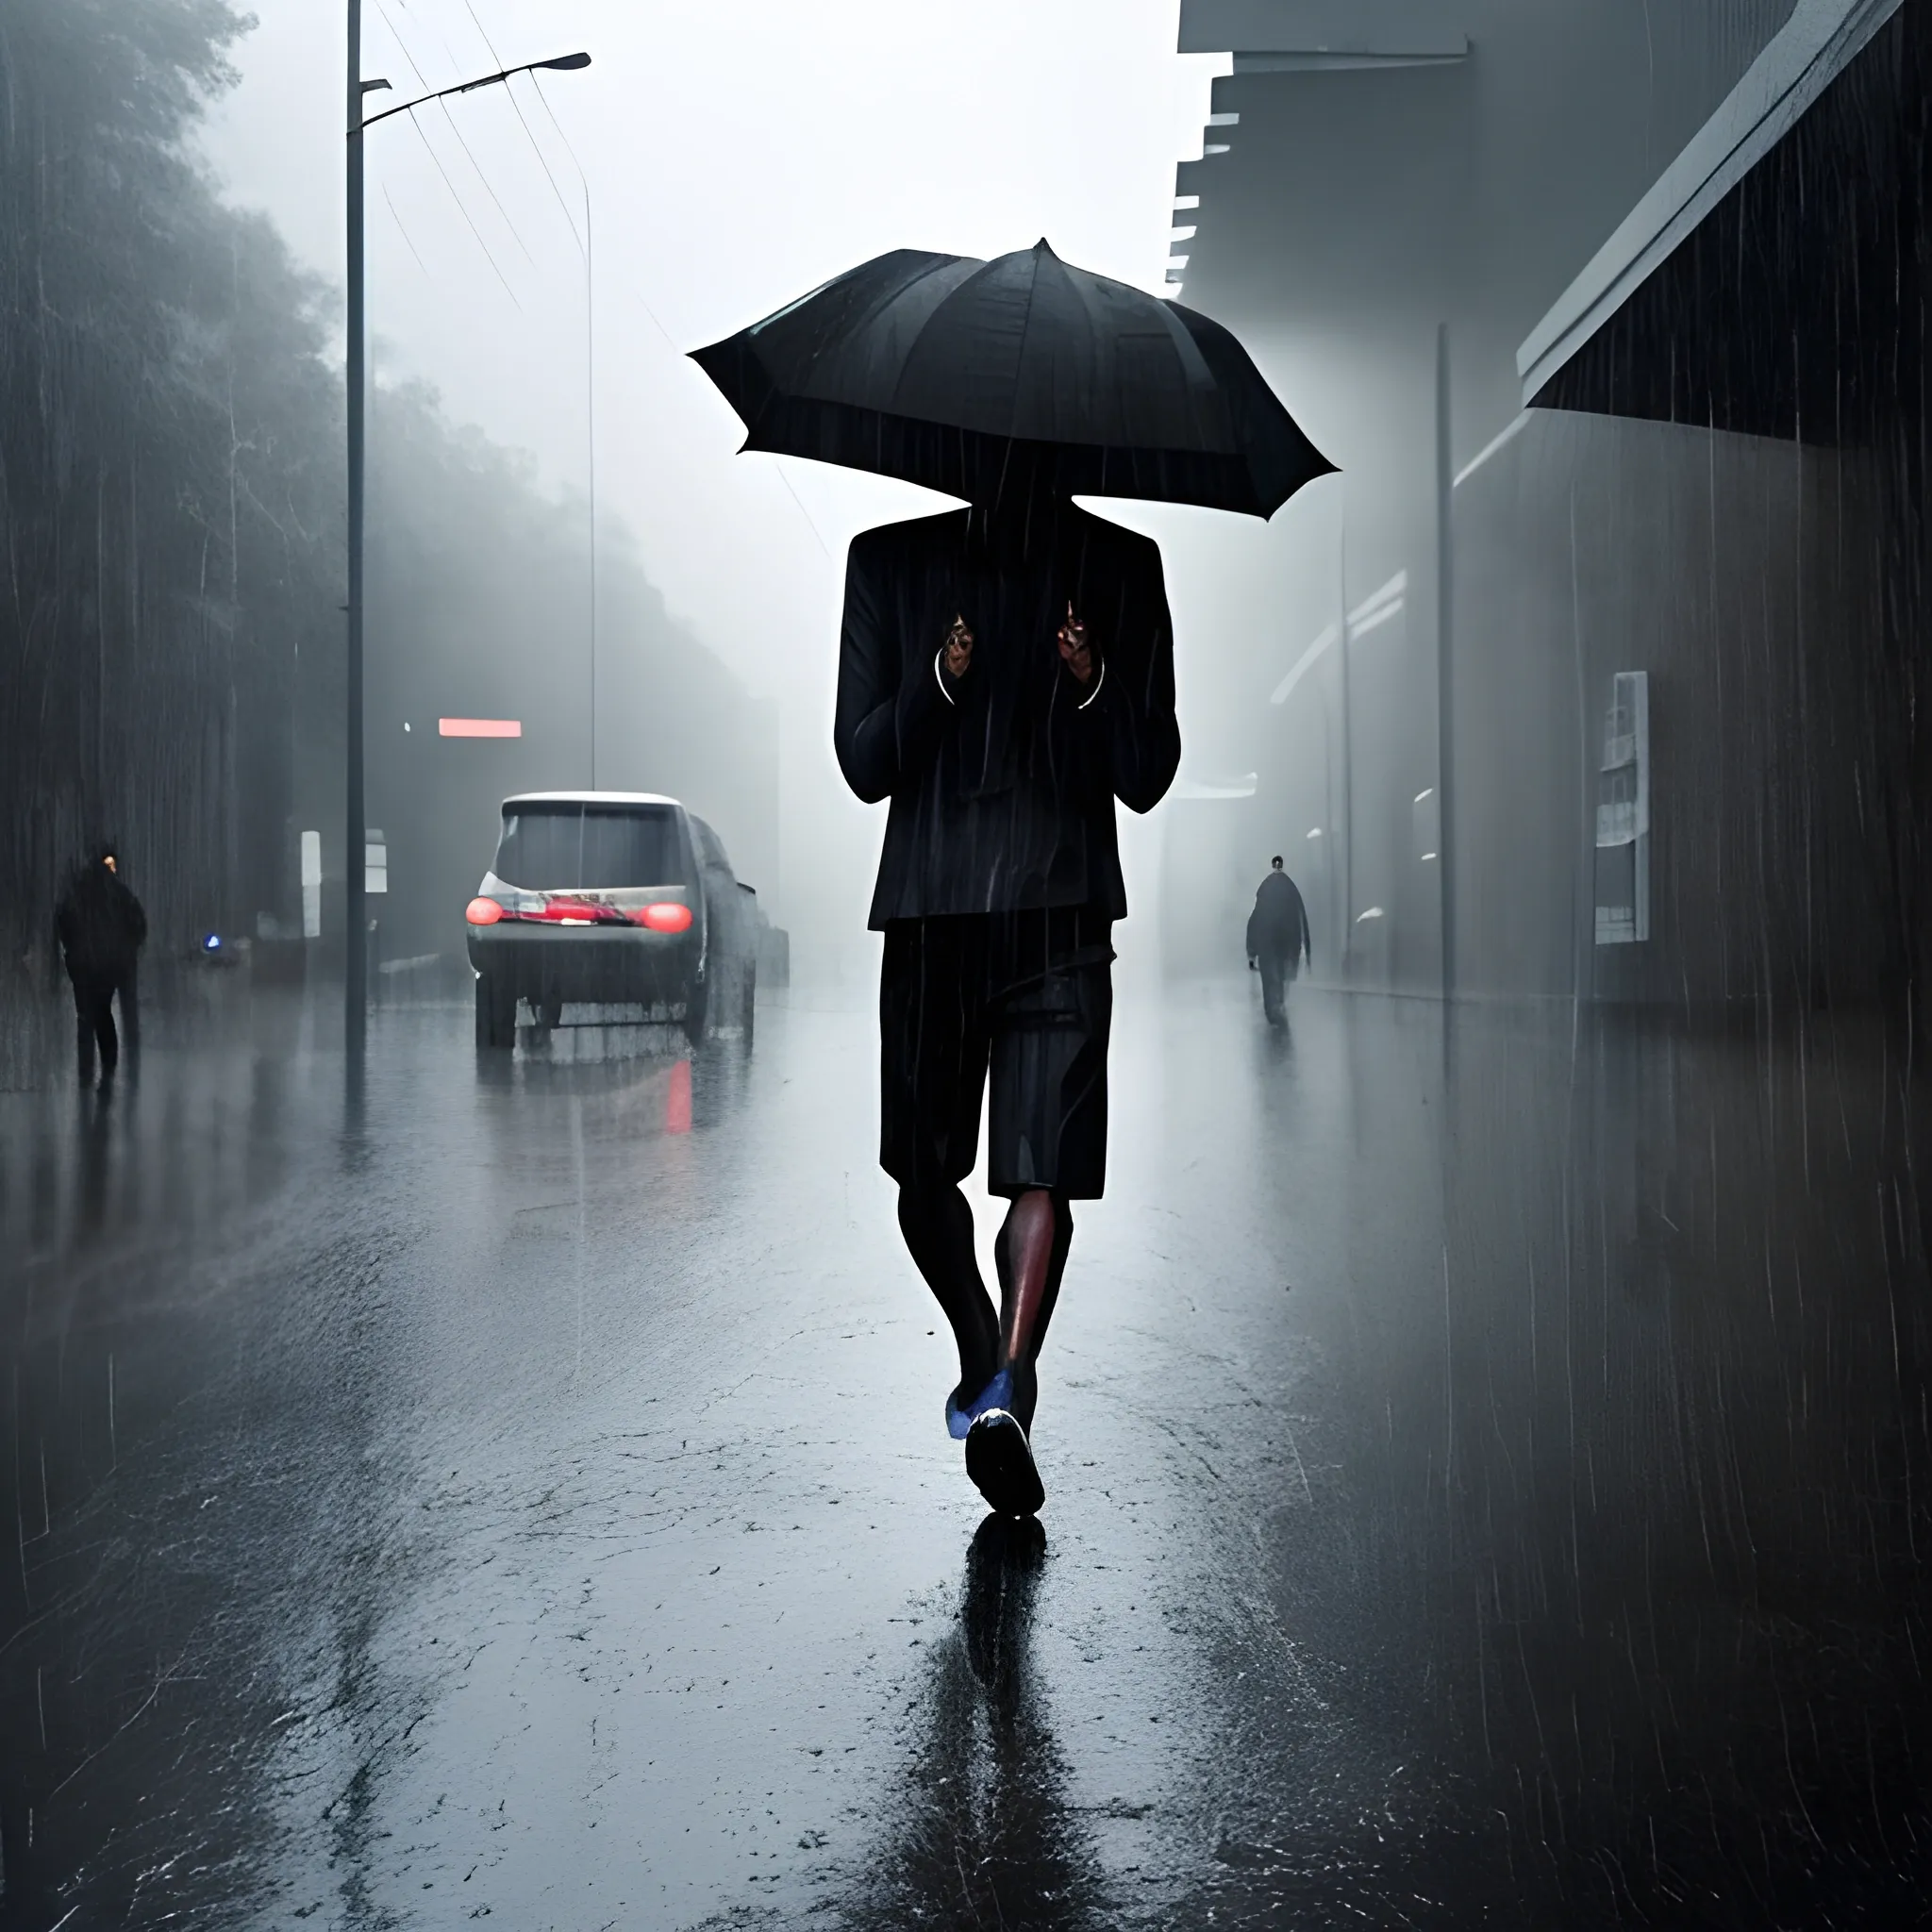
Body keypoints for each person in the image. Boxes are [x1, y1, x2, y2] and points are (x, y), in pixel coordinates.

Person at [836, 455, 1179, 1518]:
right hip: (938, 910)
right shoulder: (890, 564)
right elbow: (862, 761)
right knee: (924, 1169)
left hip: (1059, 908)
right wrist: (939, 679)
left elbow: (1148, 766)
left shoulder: (1119, 568)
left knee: (1044, 1166)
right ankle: (986, 1357)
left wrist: (1088, 681)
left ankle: (1008, 1380)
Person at [56, 843, 146, 1085]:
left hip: (88, 965)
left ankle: (90, 1070)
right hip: (102, 964)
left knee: (87, 1016)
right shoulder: (117, 893)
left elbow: (64, 921)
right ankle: (106, 1067)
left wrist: (73, 951)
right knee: (99, 1013)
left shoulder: (80, 892)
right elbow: (138, 924)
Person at [1246, 857, 1310, 1026]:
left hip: (1268, 944)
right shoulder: (1290, 888)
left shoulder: (1265, 888)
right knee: (1281, 978)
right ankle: (1278, 1007)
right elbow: (1300, 919)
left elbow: (1254, 920)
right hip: (1285, 943)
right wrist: (1304, 949)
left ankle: (1273, 1010)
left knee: (1269, 979)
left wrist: (1251, 952)